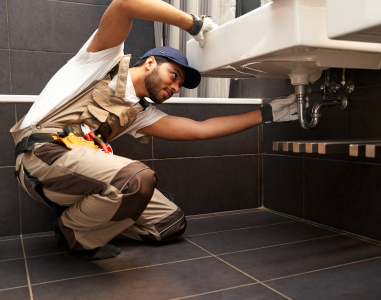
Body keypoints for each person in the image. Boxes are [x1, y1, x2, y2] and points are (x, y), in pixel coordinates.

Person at [10, 0, 298, 260]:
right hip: (39, 156)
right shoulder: (100, 62)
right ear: (150, 63)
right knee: (138, 179)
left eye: (179, 86)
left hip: (80, 177)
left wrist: (267, 113)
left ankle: (82, 217)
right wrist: (194, 24)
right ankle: (73, 230)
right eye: (174, 76)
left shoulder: (140, 114)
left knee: (170, 223)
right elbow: (124, 4)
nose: (175, 88)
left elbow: (201, 129)